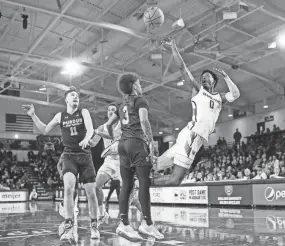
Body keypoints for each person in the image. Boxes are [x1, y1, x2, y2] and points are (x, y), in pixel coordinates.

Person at [152, 37, 240, 186]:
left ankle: (138, 178)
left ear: (214, 81)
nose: (204, 78)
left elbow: (236, 94)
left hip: (191, 137)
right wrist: (174, 47)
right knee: (175, 180)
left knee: (155, 166)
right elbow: (182, 67)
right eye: (202, 77)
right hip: (192, 135)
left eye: (207, 77)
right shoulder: (198, 90)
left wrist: (226, 76)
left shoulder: (220, 97)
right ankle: (139, 182)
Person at [23, 86, 99, 242]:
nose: (75, 97)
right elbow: (44, 130)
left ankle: (94, 225)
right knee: (69, 189)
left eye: (77, 95)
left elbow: (90, 129)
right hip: (69, 156)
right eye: (72, 95)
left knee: (91, 194)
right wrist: (33, 116)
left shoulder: (83, 112)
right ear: (66, 100)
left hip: (85, 156)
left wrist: (87, 138)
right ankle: (68, 227)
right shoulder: (60, 116)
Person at [97, 73, 164, 240]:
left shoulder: (121, 105)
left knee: (126, 185)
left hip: (122, 146)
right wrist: (150, 143)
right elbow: (144, 121)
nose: (141, 86)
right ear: (134, 85)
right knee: (143, 182)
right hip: (137, 143)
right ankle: (147, 223)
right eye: (139, 83)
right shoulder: (140, 101)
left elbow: (108, 125)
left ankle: (124, 224)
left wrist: (114, 139)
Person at [88, 103, 122, 222]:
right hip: (108, 161)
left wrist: (97, 132)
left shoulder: (122, 125)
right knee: (96, 186)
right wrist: (85, 140)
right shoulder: (102, 127)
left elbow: (112, 136)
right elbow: (93, 143)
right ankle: (102, 213)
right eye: (108, 110)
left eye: (113, 110)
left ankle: (146, 219)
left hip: (122, 162)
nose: (110, 111)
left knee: (130, 195)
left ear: (117, 113)